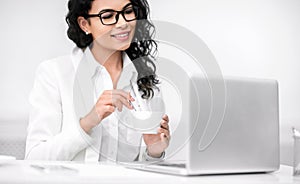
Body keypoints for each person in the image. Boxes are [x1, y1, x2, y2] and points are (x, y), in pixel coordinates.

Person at [25, 0, 170, 162]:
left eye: (128, 11)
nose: (123, 23)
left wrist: (154, 152)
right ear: (85, 24)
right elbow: (34, 158)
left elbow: (144, 169)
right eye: (108, 16)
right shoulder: (54, 73)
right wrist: (87, 123)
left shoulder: (145, 80)